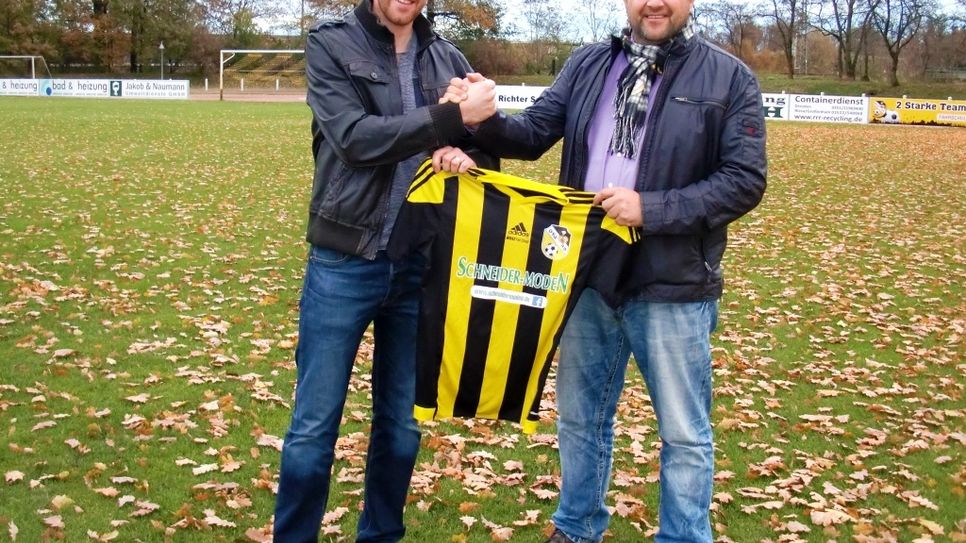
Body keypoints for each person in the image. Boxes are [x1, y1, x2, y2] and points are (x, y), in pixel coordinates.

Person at [439, 0, 767, 540]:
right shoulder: (589, 63)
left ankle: (683, 535)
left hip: (672, 280)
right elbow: (532, 134)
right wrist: (484, 120)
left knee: (685, 433)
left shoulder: (729, 77)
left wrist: (653, 208)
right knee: (580, 419)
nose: (654, 3)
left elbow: (743, 179)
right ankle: (576, 526)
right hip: (588, 274)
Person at [272, 0, 496, 541]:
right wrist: (448, 118)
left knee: (400, 430)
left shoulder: (448, 58)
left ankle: (381, 534)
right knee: (313, 430)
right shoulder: (331, 43)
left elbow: (482, 152)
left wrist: (469, 155)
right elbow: (354, 139)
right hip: (343, 262)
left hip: (418, 263)